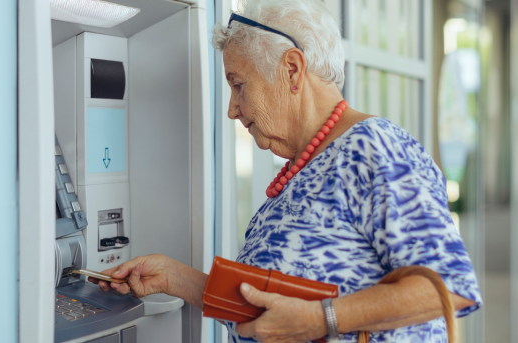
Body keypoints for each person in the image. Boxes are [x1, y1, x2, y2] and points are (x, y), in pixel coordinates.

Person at [91, 0, 481, 342]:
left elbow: (450, 287)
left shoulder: (374, 147)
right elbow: (273, 308)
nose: (232, 109)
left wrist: (320, 320)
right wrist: (176, 279)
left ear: (292, 70)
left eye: (238, 84)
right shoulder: (304, 166)